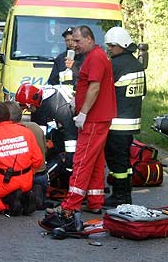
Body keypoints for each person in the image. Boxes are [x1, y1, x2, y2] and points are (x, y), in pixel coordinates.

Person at [44, 25, 117, 231]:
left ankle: (70, 204)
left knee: (82, 160)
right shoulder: (95, 56)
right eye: (72, 41)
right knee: (94, 161)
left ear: (89, 39)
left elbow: (94, 87)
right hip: (99, 117)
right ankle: (94, 201)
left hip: (93, 118)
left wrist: (83, 112)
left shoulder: (95, 57)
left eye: (77, 41)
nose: (73, 44)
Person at [104, 26, 146, 207]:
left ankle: (120, 197)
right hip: (131, 121)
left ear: (122, 45)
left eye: (112, 46)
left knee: (116, 161)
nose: (110, 49)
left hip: (117, 122)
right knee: (125, 161)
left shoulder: (115, 65)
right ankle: (125, 195)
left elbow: (103, 91)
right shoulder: (136, 64)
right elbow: (142, 93)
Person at [5, 100, 48, 209]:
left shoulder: (8, 132)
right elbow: (45, 150)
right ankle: (36, 194)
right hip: (41, 176)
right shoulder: (35, 126)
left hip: (21, 177)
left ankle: (17, 196)